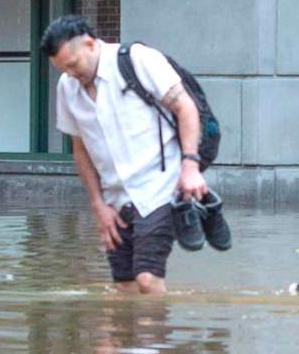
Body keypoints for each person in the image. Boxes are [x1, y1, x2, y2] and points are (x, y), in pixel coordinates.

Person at [42, 15, 209, 296]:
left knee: (147, 278)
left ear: (90, 44)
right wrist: (97, 205)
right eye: (63, 70)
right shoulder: (67, 87)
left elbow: (186, 108)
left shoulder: (138, 60)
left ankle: (155, 340)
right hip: (115, 199)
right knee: (125, 287)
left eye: (73, 65)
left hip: (159, 188)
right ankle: (131, 338)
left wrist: (190, 167)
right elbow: (80, 148)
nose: (71, 74)